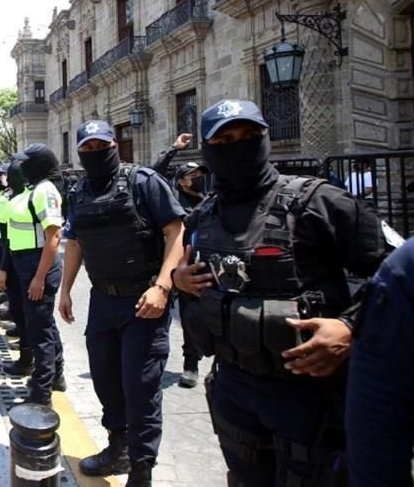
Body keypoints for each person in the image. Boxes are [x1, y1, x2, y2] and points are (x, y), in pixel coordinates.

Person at [171, 99, 383, 487]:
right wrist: (180, 281)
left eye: (251, 136)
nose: (240, 145)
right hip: (234, 388)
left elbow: (397, 277)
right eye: (227, 139)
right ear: (207, 149)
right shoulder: (204, 215)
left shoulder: (319, 202)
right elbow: (196, 274)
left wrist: (352, 327)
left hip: (309, 394)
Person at [58, 120, 186, 487]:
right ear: (80, 153)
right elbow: (76, 242)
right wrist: (66, 290)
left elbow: (175, 230)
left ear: (114, 145)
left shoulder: (143, 181)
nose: (96, 154)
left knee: (140, 388)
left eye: (102, 147)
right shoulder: (78, 191)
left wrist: (162, 287)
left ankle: (141, 471)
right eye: (89, 149)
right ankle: (118, 449)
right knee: (106, 381)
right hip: (102, 300)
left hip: (142, 301)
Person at [0, 144, 65, 407]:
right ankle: (55, 375)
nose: (21, 167)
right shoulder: (30, 190)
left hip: (38, 264)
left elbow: (53, 237)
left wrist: (39, 277)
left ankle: (41, 393)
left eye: (27, 162)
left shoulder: (44, 190)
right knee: (43, 325)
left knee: (40, 333)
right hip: (25, 263)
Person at [346, 236, 414, 487]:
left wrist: (348, 322)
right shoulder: (216, 209)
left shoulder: (325, 203)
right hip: (234, 384)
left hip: (306, 391)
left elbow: (386, 264)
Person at [166, 160, 210, 389]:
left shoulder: (211, 200)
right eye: (193, 175)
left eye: (200, 173)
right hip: (187, 271)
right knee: (191, 319)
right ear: (182, 181)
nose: (198, 178)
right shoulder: (174, 204)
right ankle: (190, 364)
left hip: (213, 267)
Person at [0, 161, 33, 374]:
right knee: (21, 312)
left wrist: (3, 269)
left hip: (25, 263)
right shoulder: (16, 199)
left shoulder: (24, 200)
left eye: (9, 176)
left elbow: (8, 240)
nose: (7, 180)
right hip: (18, 260)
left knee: (32, 317)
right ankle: (27, 357)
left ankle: (33, 364)